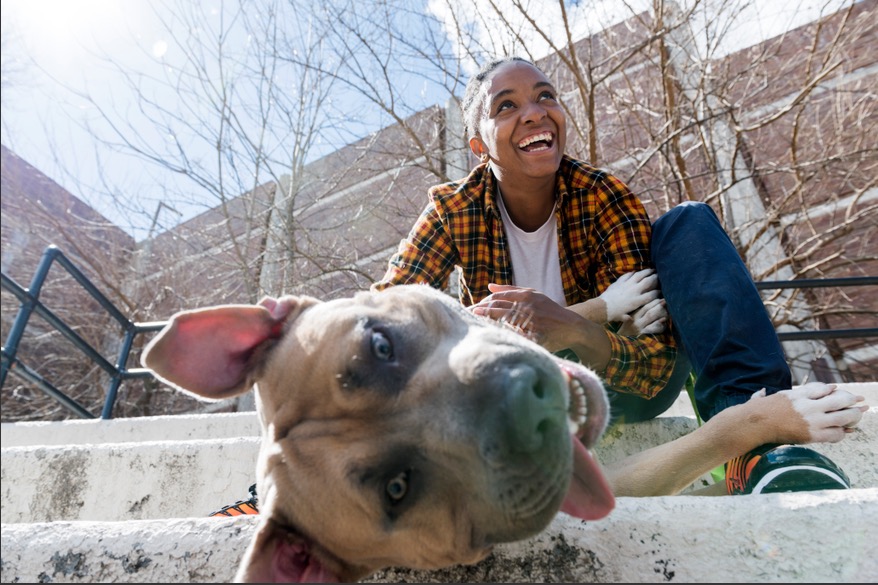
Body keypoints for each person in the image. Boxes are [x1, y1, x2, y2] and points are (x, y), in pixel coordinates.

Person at [370, 56, 856, 495]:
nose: (535, 111)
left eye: (545, 96)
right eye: (506, 105)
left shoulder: (604, 197)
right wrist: (595, 311)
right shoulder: (452, 212)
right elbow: (382, 325)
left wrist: (574, 330)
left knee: (687, 222)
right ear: (479, 145)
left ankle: (760, 446)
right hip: (516, 400)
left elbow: (657, 369)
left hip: (620, 388)